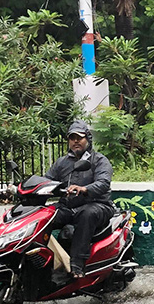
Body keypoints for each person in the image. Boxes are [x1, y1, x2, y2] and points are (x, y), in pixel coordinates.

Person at [45, 119, 114, 278]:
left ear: (88, 139)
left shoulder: (99, 160)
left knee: (87, 213)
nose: (75, 141)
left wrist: (84, 189)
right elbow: (47, 180)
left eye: (79, 137)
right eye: (72, 138)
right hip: (68, 207)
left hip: (98, 205)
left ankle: (77, 265)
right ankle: (46, 264)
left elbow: (103, 183)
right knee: (45, 216)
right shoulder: (62, 162)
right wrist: (23, 188)